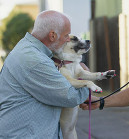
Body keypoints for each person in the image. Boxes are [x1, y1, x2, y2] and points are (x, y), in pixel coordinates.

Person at [0, 10, 89, 138]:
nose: (68, 39)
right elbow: (70, 97)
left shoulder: (29, 49)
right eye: (66, 35)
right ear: (52, 36)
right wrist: (85, 79)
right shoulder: (35, 60)